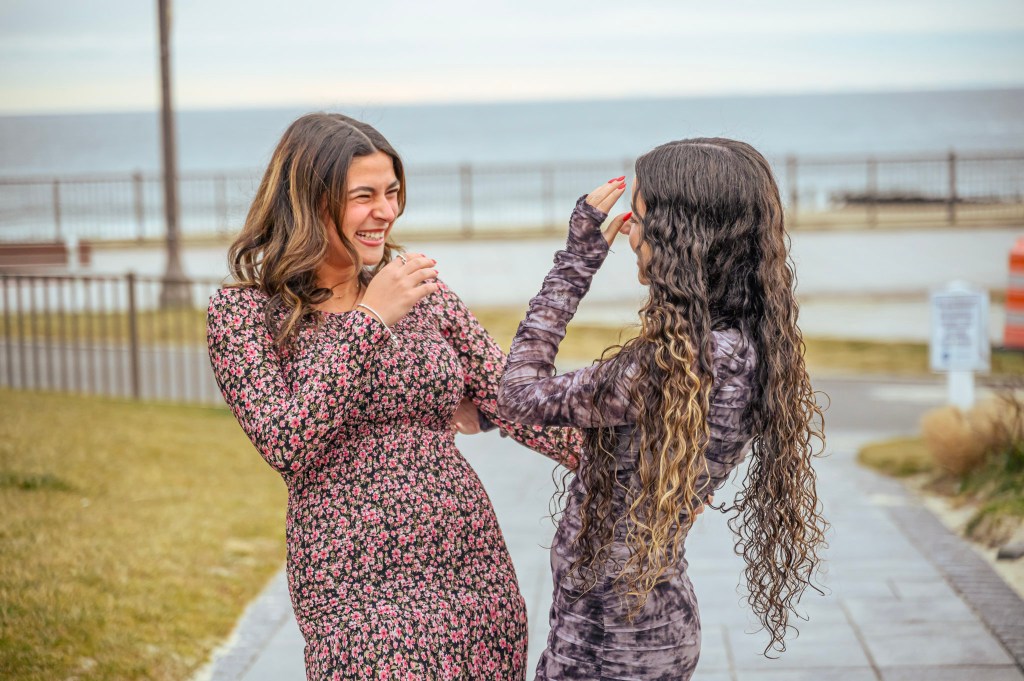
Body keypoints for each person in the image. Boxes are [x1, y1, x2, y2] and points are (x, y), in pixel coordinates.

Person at [205, 112, 581, 680]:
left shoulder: (420, 289)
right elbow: (284, 440)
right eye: (365, 196)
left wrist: (643, 470)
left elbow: (515, 402)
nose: (386, 211)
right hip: (350, 576)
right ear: (309, 202)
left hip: (468, 565)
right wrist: (371, 318)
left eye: (392, 192)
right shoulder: (244, 313)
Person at [496, 138, 828, 680]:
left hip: (609, 644)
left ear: (683, 237)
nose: (630, 233)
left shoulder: (673, 365)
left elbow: (519, 391)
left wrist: (575, 263)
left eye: (641, 218)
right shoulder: (748, 348)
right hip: (652, 627)